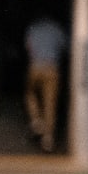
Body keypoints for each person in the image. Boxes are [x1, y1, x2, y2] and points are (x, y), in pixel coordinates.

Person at [24, 14, 68, 153]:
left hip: (36, 66)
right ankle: (48, 139)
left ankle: (36, 120)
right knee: (50, 103)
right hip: (52, 67)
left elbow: (28, 47)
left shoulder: (34, 28)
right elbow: (65, 46)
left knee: (30, 94)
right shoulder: (57, 28)